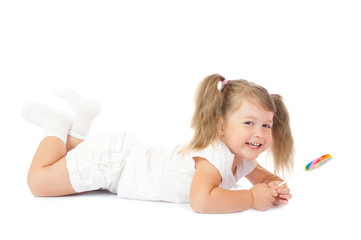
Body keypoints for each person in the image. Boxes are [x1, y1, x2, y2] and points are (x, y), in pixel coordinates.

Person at [22, 74, 294, 213]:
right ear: (220, 125)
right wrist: (250, 199)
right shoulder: (214, 157)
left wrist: (273, 189)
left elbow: (264, 179)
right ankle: (57, 124)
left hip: (122, 156)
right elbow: (201, 200)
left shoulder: (244, 158)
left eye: (266, 125)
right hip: (114, 164)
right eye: (248, 123)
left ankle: (80, 122)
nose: (259, 133)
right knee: (39, 182)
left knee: (70, 165)